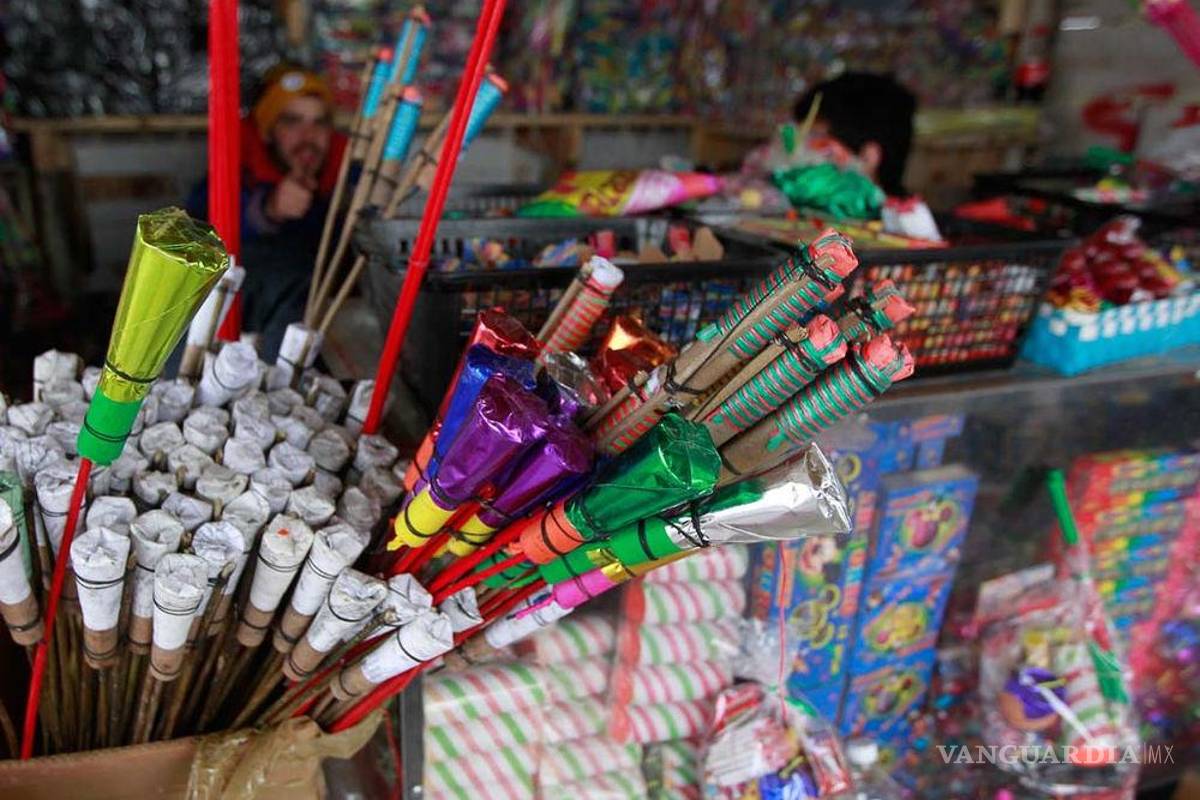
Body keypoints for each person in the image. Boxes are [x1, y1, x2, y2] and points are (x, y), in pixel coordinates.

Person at [188, 64, 347, 361]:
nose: (308, 136)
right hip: (231, 324)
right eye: (292, 121)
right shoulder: (235, 171)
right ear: (270, 130)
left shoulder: (344, 173)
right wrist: (268, 209)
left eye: (319, 122)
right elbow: (197, 227)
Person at [792, 72, 940, 240]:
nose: (801, 157)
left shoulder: (909, 227)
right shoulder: (805, 217)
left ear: (868, 157)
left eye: (819, 143)